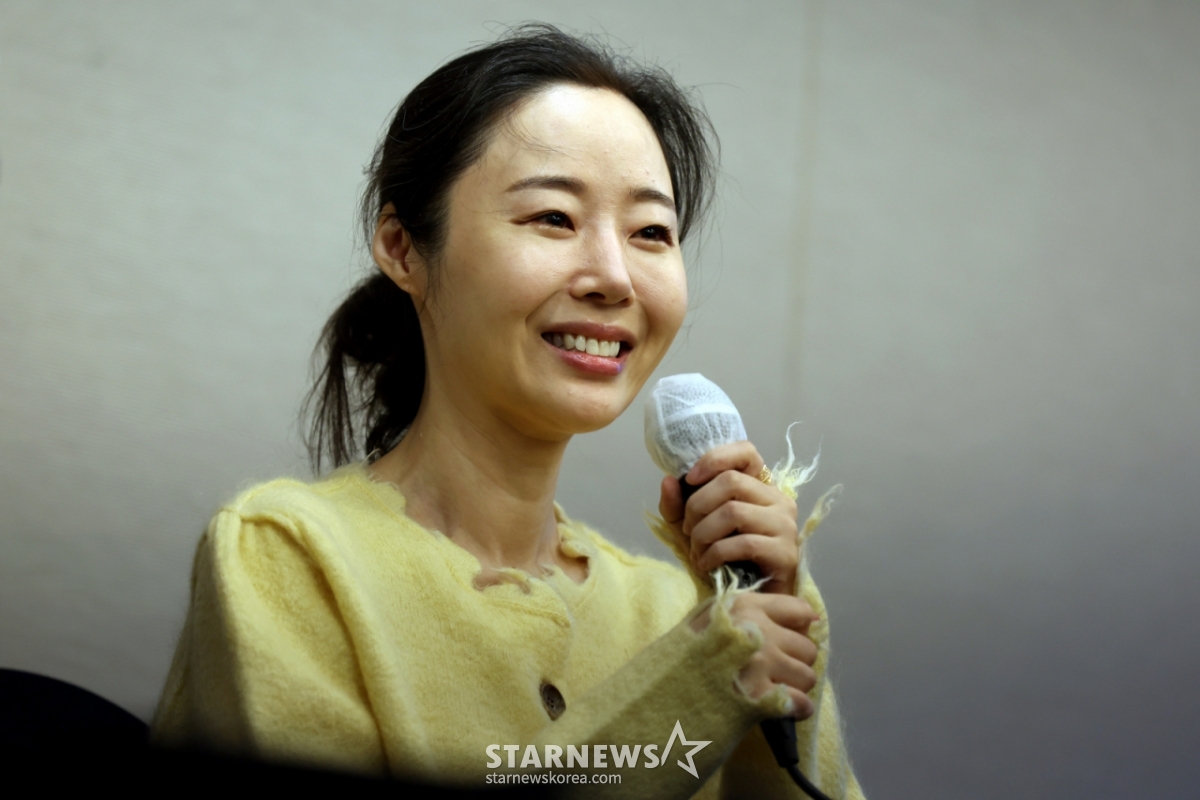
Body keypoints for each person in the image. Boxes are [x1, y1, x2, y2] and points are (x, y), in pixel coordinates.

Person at [152, 24, 865, 799]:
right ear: (402, 247)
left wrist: (778, 626)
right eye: (553, 218)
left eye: (651, 232)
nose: (614, 276)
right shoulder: (288, 556)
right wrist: (695, 688)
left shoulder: (681, 608)